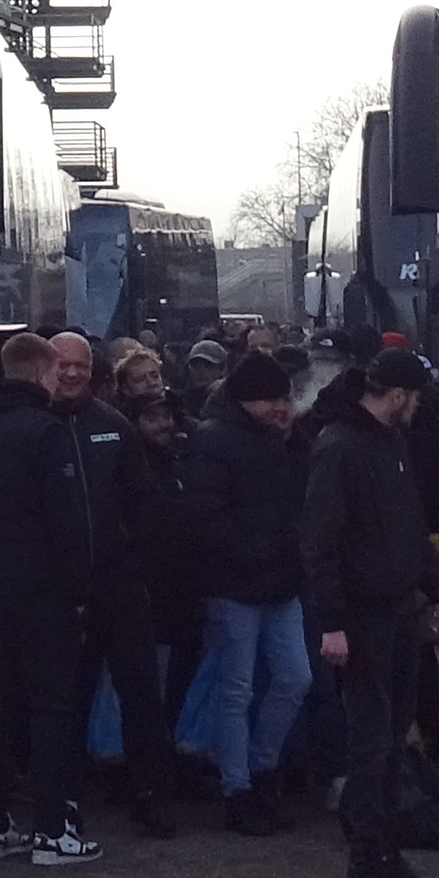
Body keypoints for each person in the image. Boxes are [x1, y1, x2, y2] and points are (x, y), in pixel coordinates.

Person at [303, 339, 439, 878]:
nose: (417, 408)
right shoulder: (339, 448)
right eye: (413, 398)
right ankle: (370, 856)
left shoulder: (390, 442)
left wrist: (436, 592)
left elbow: (410, 527)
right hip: (364, 618)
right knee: (372, 741)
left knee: (389, 734)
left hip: (394, 612)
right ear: (396, 395)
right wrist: (333, 623)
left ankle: (382, 842)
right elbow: (319, 542)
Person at [0, 331, 94, 865]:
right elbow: (67, 522)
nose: (62, 382)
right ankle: (53, 830)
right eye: (56, 374)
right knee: (51, 707)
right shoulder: (46, 433)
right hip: (42, 593)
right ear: (39, 374)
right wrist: (79, 591)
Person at [181, 348, 312, 834]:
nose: (282, 407)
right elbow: (205, 516)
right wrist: (266, 554)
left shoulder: (279, 441)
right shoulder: (216, 442)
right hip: (239, 584)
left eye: (285, 398)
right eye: (271, 400)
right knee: (240, 688)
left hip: (275, 582)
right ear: (247, 402)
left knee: (292, 678)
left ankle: (257, 770)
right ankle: (241, 784)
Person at [66, 335, 177, 839]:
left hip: (121, 585)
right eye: (62, 365)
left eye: (79, 365)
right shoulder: (42, 429)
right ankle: (64, 797)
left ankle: (149, 795)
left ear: (93, 371)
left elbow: (146, 504)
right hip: (65, 590)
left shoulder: (113, 428)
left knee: (140, 696)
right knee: (67, 695)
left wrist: (135, 563)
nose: (70, 374)